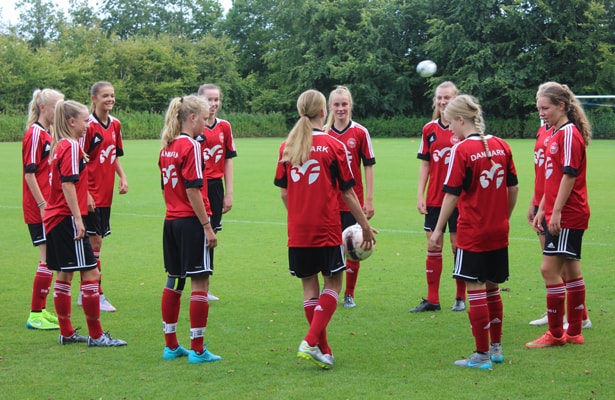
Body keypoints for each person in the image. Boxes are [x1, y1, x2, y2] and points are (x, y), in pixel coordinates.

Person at [274, 89, 377, 369]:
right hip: (327, 228)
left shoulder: (287, 146)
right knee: (333, 284)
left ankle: (324, 349)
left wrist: (298, 215)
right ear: (324, 112)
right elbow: (348, 193)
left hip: (298, 231)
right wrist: (365, 225)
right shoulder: (333, 145)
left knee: (310, 287)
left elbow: (284, 192)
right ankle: (310, 341)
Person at [429, 94, 519, 369]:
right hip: (498, 230)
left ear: (460, 119)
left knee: (475, 288)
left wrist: (438, 230)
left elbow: (451, 194)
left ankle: (481, 356)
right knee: (493, 288)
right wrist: (504, 216)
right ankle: (496, 349)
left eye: (450, 123)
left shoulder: (462, 150)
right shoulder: (501, 145)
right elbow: (513, 187)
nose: (450, 129)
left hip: (473, 231)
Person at [46, 99, 127, 347]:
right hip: (67, 219)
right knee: (91, 272)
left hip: (55, 218)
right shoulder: (71, 146)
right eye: (84, 121)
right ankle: (96, 335)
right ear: (72, 122)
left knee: (65, 274)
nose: (87, 125)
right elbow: (68, 184)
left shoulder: (59, 145)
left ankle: (67, 332)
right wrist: (79, 219)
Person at [526, 82, 591, 349]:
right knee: (571, 271)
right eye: (539, 109)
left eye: (545, 108)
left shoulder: (568, 134)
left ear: (561, 106)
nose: (541, 113)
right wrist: (542, 208)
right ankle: (574, 331)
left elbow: (568, 176)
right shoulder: (554, 133)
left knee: (549, 269)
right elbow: (550, 178)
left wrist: (557, 212)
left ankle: (555, 334)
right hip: (558, 211)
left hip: (569, 214)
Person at [158, 95, 221, 364]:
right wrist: (207, 226)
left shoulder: (167, 146)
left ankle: (171, 345)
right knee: (200, 282)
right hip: (192, 223)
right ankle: (197, 349)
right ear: (192, 118)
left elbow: (165, 187)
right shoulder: (191, 146)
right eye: (205, 119)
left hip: (171, 221)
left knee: (174, 279)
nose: (207, 124)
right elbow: (193, 189)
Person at [411, 81, 467, 313]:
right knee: (433, 245)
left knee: (457, 247)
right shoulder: (429, 129)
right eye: (440, 98)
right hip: (435, 199)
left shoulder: (463, 128)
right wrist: (420, 194)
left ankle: (460, 297)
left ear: (455, 99)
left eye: (447, 98)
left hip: (459, 200)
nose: (443, 102)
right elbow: (425, 164)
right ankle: (432, 299)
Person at [324, 86, 376, 309]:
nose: (340, 108)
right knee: (329, 247)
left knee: (354, 247)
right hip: (328, 202)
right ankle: (329, 291)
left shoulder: (360, 132)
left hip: (353, 201)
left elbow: (369, 165)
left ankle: (349, 294)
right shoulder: (324, 133)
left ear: (350, 105)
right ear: (330, 106)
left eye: (344, 104)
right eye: (336, 104)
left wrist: (369, 200)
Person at [78, 81, 128, 312]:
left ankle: (86, 291)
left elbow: (113, 154)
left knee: (96, 242)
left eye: (112, 95)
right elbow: (79, 160)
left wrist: (122, 176)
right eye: (105, 95)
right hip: (91, 194)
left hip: (106, 194)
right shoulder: (87, 126)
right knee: (94, 242)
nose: (110, 99)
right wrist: (86, 192)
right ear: (94, 99)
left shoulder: (115, 124)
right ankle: (94, 292)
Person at [23, 88, 64, 330]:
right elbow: (30, 174)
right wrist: (41, 204)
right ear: (43, 107)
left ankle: (41, 310)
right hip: (39, 207)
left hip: (50, 206)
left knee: (50, 259)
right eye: (57, 106)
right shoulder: (35, 134)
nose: (60, 111)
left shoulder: (48, 133)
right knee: (46, 258)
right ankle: (35, 315)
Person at [196, 83, 238, 302]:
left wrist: (228, 193)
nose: (213, 104)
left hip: (215, 187)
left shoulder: (224, 127)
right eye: (209, 99)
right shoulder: (194, 126)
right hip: (197, 186)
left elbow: (228, 159)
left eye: (216, 99)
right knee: (198, 233)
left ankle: (205, 287)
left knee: (212, 236)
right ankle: (195, 284)